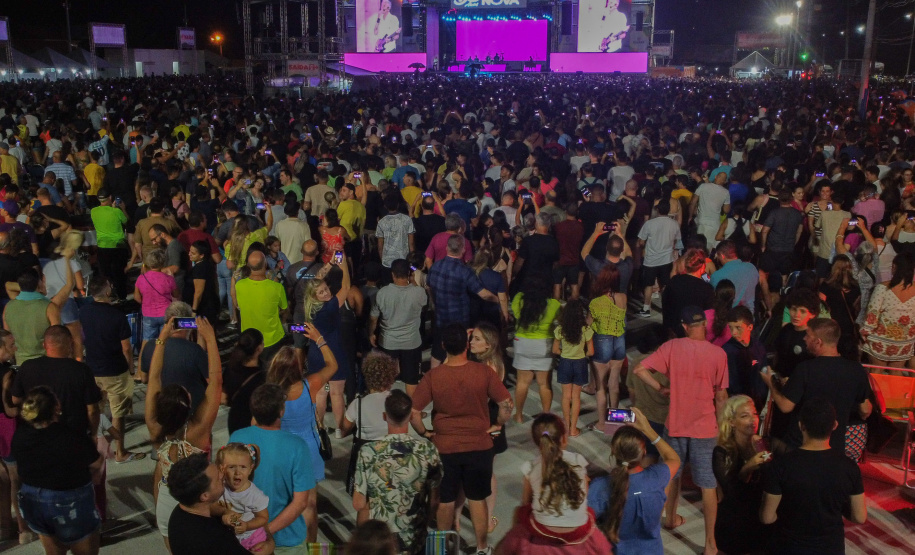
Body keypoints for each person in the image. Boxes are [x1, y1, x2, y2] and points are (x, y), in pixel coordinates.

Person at [632, 307, 729, 555]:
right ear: (704, 326)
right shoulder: (718, 354)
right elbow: (720, 396)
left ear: (684, 326)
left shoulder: (673, 347)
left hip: (675, 423)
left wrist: (660, 388)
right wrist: (720, 426)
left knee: (670, 475)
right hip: (705, 427)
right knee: (707, 483)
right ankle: (710, 544)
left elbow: (639, 369)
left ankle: (669, 518)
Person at [410, 323, 513, 555]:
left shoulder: (433, 377)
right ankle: (482, 548)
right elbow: (506, 404)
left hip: (445, 447)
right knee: (477, 498)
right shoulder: (484, 372)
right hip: (479, 446)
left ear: (444, 346)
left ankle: (442, 548)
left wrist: (424, 433)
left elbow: (414, 412)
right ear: (467, 346)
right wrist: (498, 424)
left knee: (445, 500)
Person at [144, 316, 221, 547]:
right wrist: (210, 338)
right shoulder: (197, 431)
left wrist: (162, 339)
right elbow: (216, 380)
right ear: (188, 404)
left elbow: (154, 378)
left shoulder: (154, 425)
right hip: (197, 501)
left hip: (167, 500)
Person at [760, 398, 867, 554]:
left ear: (801, 425)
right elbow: (859, 516)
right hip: (831, 547)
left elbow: (767, 517)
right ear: (835, 425)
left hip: (789, 547)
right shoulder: (849, 467)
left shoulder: (781, 465)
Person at [497, 413, 610, 554]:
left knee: (515, 522)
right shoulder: (578, 460)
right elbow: (583, 496)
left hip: (542, 528)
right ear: (564, 438)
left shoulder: (531, 467)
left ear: (536, 441)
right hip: (578, 529)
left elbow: (526, 503)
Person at [11, 387, 104, 555]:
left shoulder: (20, 435)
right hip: (69, 500)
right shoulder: (70, 435)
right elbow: (96, 463)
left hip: (32, 498)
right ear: (56, 408)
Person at [761, 318, 872, 458]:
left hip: (801, 445)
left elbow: (785, 406)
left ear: (818, 342)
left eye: (808, 335)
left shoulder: (805, 369)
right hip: (834, 446)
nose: (804, 339)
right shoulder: (856, 370)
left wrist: (771, 383)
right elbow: (865, 410)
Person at [266, 328, 337, 544]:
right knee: (310, 504)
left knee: (286, 500)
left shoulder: (271, 394)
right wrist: (319, 339)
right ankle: (312, 547)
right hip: (308, 449)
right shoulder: (311, 385)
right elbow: (333, 366)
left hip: (283, 449)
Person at [229, 383, 316, 552]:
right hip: (286, 537)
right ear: (281, 411)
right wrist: (265, 531)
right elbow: (301, 503)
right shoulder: (297, 446)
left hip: (246, 536)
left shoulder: (237, 437)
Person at [353, 390, 442, 554]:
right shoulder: (427, 450)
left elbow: (358, 504)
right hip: (415, 538)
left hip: (379, 541)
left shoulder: (368, 452)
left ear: (385, 416)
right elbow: (434, 501)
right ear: (410, 416)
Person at [588, 407, 680, 555]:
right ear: (643, 452)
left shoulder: (601, 487)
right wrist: (648, 430)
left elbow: (584, 525)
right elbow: (673, 458)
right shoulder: (656, 478)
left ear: (613, 452)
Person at [79, 278, 145, 462]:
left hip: (92, 368)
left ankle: (96, 448)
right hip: (115, 370)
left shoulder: (83, 312)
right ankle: (121, 452)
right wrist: (131, 368)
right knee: (119, 413)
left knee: (96, 411)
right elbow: (126, 347)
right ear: (107, 292)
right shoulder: (116, 315)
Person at [166, 453, 272, 555]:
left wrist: (225, 511)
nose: (222, 474)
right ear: (205, 496)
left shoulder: (180, 512)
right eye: (218, 478)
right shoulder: (216, 540)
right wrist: (270, 543)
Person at [11, 325, 102, 437]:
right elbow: (92, 410)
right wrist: (93, 435)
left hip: (36, 433)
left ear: (44, 345)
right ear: (70, 343)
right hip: (72, 435)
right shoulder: (81, 370)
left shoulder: (27, 367)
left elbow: (15, 400)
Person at [712, 395, 774, 555]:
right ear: (731, 422)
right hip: (735, 522)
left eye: (754, 414)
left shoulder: (765, 444)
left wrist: (762, 447)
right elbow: (732, 493)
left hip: (760, 520)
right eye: (744, 416)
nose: (753, 420)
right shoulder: (722, 452)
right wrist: (748, 467)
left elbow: (791, 463)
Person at [427, 234, 498, 366]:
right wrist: (498, 299)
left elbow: (429, 286)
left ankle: (434, 380)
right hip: (459, 322)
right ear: (463, 250)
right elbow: (483, 294)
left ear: (447, 248)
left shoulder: (435, 266)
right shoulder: (465, 271)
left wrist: (434, 302)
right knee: (458, 354)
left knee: (437, 353)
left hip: (441, 319)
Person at [303, 252, 351, 431]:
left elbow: (317, 279)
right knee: (337, 393)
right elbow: (345, 287)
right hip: (334, 350)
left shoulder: (309, 304)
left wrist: (330, 262)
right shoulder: (330, 307)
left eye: (326, 289)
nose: (326, 293)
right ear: (316, 295)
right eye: (321, 292)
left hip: (316, 353)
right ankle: (340, 429)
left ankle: (319, 427)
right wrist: (343, 263)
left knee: (321, 393)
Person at [369, 259, 427, 397]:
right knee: (412, 380)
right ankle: (412, 412)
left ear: (392, 274)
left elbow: (373, 318)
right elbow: (424, 303)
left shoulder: (382, 293)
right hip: (412, 342)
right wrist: (413, 280)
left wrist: (371, 333)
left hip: (389, 342)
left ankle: (383, 409)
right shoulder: (419, 292)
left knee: (385, 379)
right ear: (408, 273)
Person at [511, 277, 561, 422]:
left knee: (522, 382)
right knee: (544, 384)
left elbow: (515, 310)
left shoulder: (519, 299)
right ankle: (545, 416)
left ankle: (519, 415)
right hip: (543, 345)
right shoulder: (553, 305)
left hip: (522, 344)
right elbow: (559, 319)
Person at [588, 265, 628, 427]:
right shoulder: (623, 297)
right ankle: (616, 420)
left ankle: (602, 423)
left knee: (600, 387)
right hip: (619, 340)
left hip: (602, 342)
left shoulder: (596, 302)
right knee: (614, 383)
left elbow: (588, 324)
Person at [860, 252, 915, 367]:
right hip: (905, 342)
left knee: (877, 372)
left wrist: (864, 333)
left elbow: (872, 316)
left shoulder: (883, 288)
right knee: (896, 373)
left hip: (881, 340)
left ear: (894, 267)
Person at [213, 443, 270, 551]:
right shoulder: (219, 486)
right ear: (222, 468)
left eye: (243, 467)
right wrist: (224, 513)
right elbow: (211, 506)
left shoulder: (255, 495)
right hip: (230, 538)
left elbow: (263, 518)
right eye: (231, 467)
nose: (237, 473)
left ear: (250, 469)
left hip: (252, 539)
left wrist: (247, 526)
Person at [236, 250, 288, 365]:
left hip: (249, 339)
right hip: (272, 338)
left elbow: (237, 305)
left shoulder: (239, 285)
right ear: (265, 264)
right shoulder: (277, 287)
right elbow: (284, 308)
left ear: (248, 266)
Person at [554, 299, 594, 437]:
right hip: (580, 363)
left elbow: (555, 350)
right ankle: (573, 429)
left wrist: (565, 353)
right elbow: (591, 352)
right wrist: (582, 353)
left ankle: (566, 426)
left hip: (565, 363)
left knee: (566, 396)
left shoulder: (560, 329)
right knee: (576, 397)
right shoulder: (586, 330)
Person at [637, 200, 681, 318]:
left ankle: (646, 308)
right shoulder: (674, 224)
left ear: (657, 210)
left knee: (648, 284)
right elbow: (676, 240)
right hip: (666, 259)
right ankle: (666, 308)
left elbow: (641, 242)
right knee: (665, 285)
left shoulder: (650, 224)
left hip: (651, 260)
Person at [722, 306, 768, 411]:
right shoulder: (726, 351)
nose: (733, 332)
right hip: (736, 406)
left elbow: (763, 374)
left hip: (757, 404)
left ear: (750, 327)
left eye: (738, 328)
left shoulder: (758, 348)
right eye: (730, 327)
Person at [89, 189, 131, 299]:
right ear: (110, 198)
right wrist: (122, 209)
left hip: (103, 247)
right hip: (118, 247)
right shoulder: (116, 212)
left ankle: (108, 296)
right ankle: (122, 297)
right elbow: (126, 220)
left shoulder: (93, 211)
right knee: (120, 274)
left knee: (106, 274)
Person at [224, 329, 267, 435]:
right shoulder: (262, 376)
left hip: (234, 421)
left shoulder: (231, 366)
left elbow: (224, 397)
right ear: (259, 348)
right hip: (254, 425)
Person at [134, 249, 179, 350]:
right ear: (163, 262)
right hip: (166, 313)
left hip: (148, 313)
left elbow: (137, 297)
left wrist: (146, 303)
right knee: (165, 340)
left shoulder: (141, 278)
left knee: (147, 340)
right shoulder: (168, 279)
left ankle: (144, 361)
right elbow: (176, 294)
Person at [710, 240, 759, 310]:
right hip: (748, 315)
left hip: (729, 317)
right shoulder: (751, 268)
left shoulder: (716, 276)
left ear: (722, 256)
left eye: (718, 255)